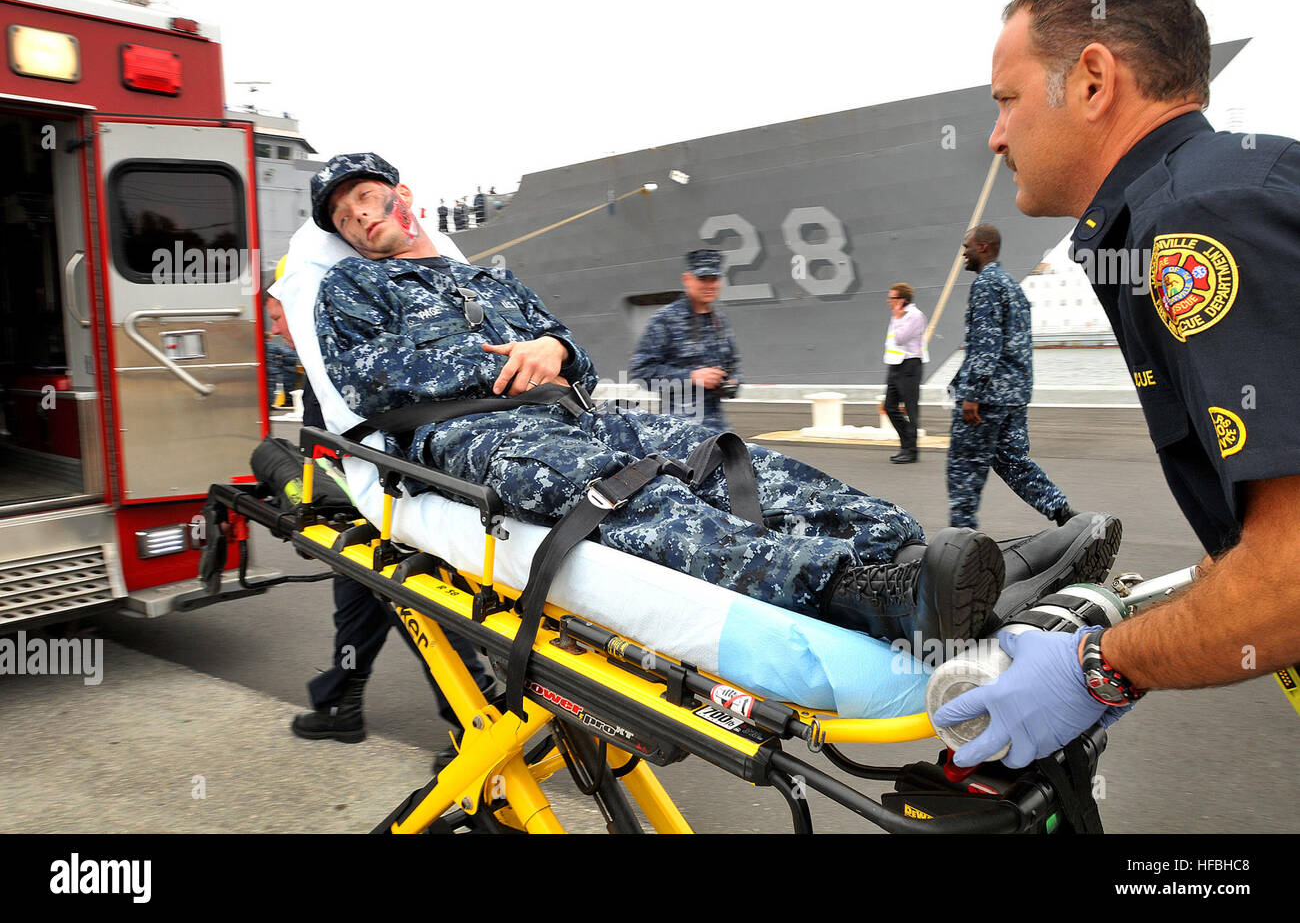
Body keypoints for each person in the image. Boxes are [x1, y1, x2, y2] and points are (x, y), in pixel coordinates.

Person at [306, 152, 1114, 654]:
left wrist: (552, 351)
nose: (361, 219)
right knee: (637, 499)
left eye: (368, 199)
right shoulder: (348, 286)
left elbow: (576, 352)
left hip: (571, 410)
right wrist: (500, 365)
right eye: (345, 217)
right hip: (477, 436)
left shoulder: (490, 278)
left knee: (734, 462)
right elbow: (370, 378)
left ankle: (923, 557)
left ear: (403, 195)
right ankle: (868, 592)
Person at [933, 0, 1300, 768]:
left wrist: (1104, 665)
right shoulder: (1213, 195)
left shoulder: (1200, 220)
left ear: (1094, 81)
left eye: (1007, 100)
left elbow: (1294, 576)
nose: (996, 137)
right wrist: (1174, 610)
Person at [264, 284, 497, 750]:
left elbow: (334, 446)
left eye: (276, 317)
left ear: (297, 310)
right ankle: (340, 705)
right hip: (379, 505)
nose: (274, 330)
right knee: (358, 606)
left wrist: (310, 504)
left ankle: (475, 717)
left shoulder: (331, 360)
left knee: (418, 608)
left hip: (385, 507)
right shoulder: (333, 352)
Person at [946, 224, 1074, 529]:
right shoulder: (1011, 285)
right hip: (1014, 395)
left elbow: (986, 343)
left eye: (967, 246)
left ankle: (961, 539)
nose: (964, 252)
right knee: (1013, 461)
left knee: (964, 467)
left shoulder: (986, 284)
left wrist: (971, 393)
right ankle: (1063, 512)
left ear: (984, 246)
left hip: (988, 397)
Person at [627, 249, 742, 432]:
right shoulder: (665, 319)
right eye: (703, 279)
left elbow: (733, 365)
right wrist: (691, 377)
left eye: (714, 279)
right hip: (680, 430)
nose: (710, 285)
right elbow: (641, 372)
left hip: (717, 429)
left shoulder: (719, 321)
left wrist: (732, 381)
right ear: (687, 279)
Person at [882, 282, 928, 464]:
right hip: (895, 365)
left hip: (910, 366)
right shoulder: (899, 315)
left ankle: (911, 451)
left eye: (891, 297)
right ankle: (905, 444)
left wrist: (897, 317)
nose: (888, 301)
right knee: (889, 406)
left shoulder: (915, 316)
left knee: (910, 409)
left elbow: (900, 339)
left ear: (901, 300)